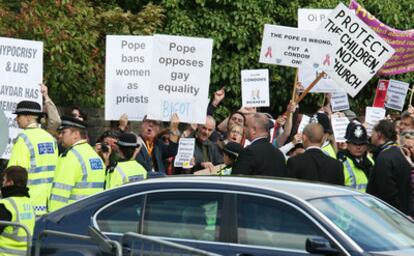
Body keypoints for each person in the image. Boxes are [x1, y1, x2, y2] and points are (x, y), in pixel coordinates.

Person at [7, 100, 58, 216]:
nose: (16, 119)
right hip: (48, 202)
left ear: (28, 117)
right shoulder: (50, 138)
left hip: (28, 203)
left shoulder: (24, 139)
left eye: (19, 115)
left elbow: (14, 173)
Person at [49, 116, 105, 212]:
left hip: (71, 216)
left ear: (76, 134)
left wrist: (53, 217)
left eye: (64, 132)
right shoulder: (95, 156)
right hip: (90, 213)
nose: (60, 136)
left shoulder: (70, 156)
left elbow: (60, 193)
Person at [367, 120, 412, 214]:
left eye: (373, 132)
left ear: (379, 134)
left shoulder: (384, 158)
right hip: (404, 212)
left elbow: (388, 193)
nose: (371, 136)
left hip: (391, 216)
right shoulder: (399, 152)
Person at [0, 166, 35, 255]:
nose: (2, 184)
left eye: (4, 180)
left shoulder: (5, 205)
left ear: (10, 183)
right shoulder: (29, 204)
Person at [339, 123, 373, 192]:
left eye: (361, 144)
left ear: (366, 145)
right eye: (355, 144)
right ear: (348, 144)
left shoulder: (370, 161)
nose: (358, 147)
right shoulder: (341, 163)